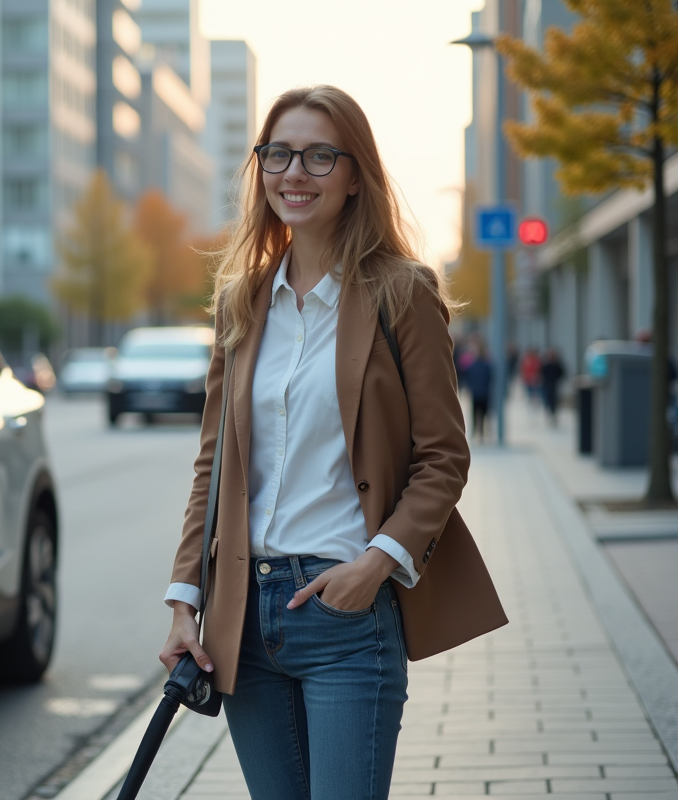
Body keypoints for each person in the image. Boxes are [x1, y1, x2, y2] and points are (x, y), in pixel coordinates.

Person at [158, 86, 506, 800]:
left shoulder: (401, 292)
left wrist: (376, 566)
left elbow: (444, 457)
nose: (295, 172)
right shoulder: (242, 300)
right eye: (279, 153)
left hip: (346, 614)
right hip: (243, 620)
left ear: (354, 175)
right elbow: (213, 467)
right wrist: (184, 598)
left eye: (320, 156)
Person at [466, 344, 493, 441]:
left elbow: (468, 379)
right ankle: (483, 433)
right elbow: (490, 378)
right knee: (485, 414)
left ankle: (474, 432)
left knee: (474, 414)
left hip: (475, 393)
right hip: (485, 393)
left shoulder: (472, 366)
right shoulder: (487, 366)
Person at [539, 348, 565, 424]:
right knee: (548, 399)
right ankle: (549, 412)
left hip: (554, 385)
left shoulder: (557, 364)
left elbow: (562, 373)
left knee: (554, 400)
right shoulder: (546, 364)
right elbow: (542, 372)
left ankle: (553, 413)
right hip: (547, 385)